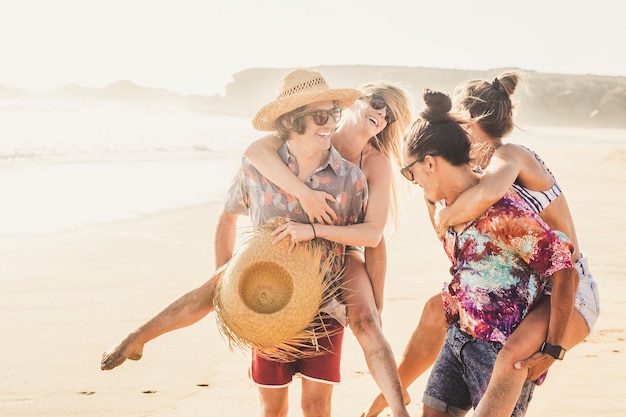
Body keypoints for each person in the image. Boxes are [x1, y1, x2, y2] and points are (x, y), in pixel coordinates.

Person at [101, 68, 372, 417]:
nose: (331, 123)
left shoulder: (349, 178)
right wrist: (223, 279)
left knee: (317, 407)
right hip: (266, 304)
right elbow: (229, 215)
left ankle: (138, 338)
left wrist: (370, 308)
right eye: (321, 115)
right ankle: (137, 338)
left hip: (324, 309)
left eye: (334, 113)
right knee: (272, 407)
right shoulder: (257, 169)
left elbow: (362, 243)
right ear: (291, 122)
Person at [364, 73, 600, 417]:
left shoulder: (508, 162)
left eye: (411, 173)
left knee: (511, 357)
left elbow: (559, 264)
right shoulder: (464, 190)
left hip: (562, 288)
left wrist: (554, 347)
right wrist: (442, 209)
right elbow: (466, 258)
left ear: (469, 123)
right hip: (505, 295)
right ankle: (391, 395)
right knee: (436, 309)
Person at [243, 80, 414, 415]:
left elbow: (372, 236)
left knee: (366, 320)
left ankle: (397, 405)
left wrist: (314, 229)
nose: (380, 114)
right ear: (356, 101)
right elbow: (256, 151)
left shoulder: (374, 162)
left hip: (345, 247)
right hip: (290, 243)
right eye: (377, 102)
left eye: (389, 114)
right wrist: (304, 195)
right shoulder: (316, 131)